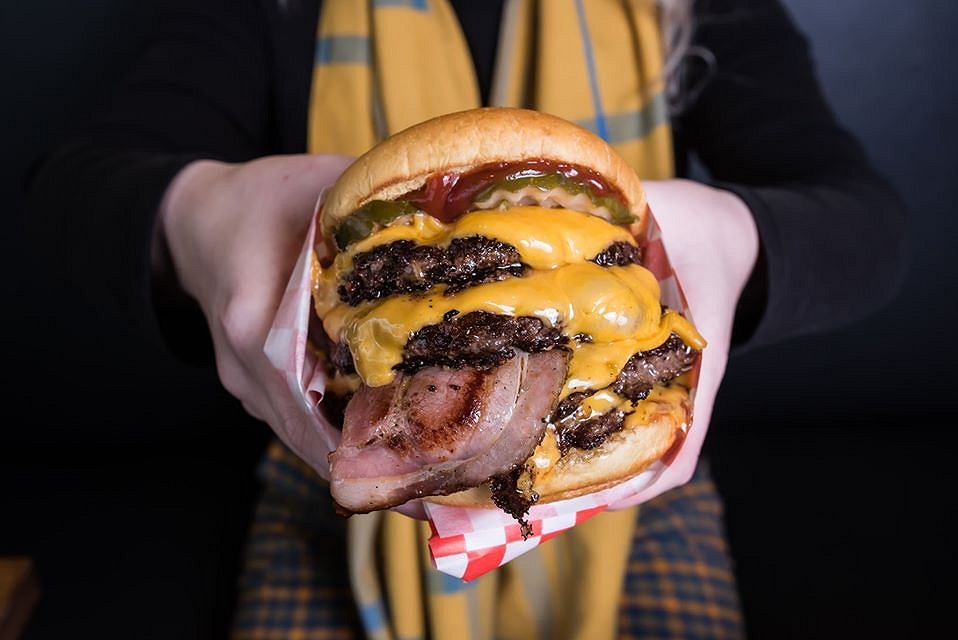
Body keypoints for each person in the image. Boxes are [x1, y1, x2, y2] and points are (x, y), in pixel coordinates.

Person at [26, 0, 905, 637]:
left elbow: (872, 227)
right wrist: (193, 212)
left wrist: (736, 233)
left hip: (642, 507)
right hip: (321, 480)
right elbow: (68, 188)